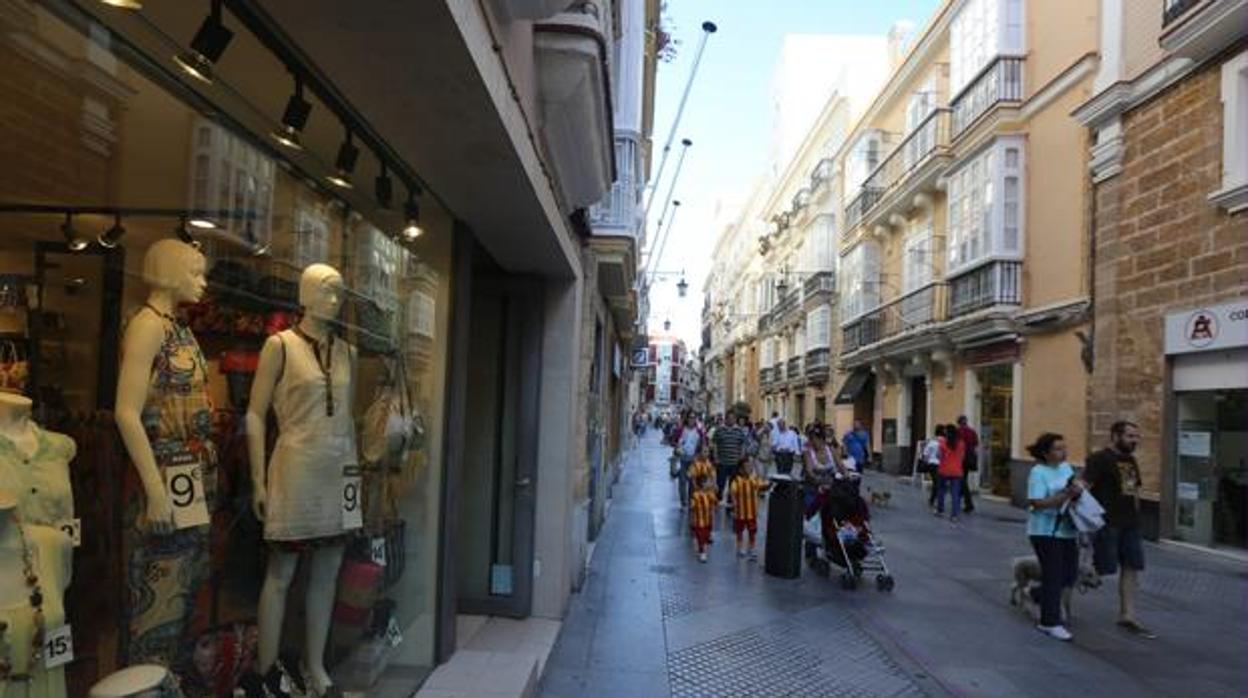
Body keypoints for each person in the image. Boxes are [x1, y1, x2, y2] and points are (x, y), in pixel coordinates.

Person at [1084, 420, 1154, 638]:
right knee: (1101, 568)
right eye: (1130, 436)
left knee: (1132, 566)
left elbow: (1133, 491)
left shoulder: (1130, 460)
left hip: (1130, 523)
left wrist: (1138, 517)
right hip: (1107, 522)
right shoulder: (1099, 459)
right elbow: (1084, 485)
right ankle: (1045, 592)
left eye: (1136, 437)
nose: (1134, 441)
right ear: (1115, 436)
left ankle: (1128, 614)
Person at [1026, 432, 1083, 641]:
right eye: (1058, 449)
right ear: (1046, 453)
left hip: (1068, 529)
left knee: (1070, 574)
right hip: (1045, 531)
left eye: (1064, 447)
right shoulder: (1038, 472)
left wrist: (1077, 491)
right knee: (1054, 574)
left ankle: (1038, 595)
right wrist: (1065, 495)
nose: (1063, 452)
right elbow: (1036, 502)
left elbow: (1074, 487)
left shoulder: (1066, 468)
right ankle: (1049, 622)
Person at [728, 455, 769, 560]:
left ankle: (751, 547)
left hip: (752, 512)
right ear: (741, 469)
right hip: (740, 512)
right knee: (739, 530)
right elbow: (732, 492)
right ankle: (740, 546)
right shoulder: (736, 481)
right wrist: (734, 504)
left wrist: (768, 485)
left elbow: (761, 486)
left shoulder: (753, 479)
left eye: (751, 466)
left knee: (752, 531)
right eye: (747, 467)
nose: (750, 469)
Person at [712, 414, 748, 507]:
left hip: (735, 462)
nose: (731, 420)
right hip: (722, 461)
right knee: (720, 482)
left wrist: (742, 455)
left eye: (733, 418)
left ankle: (730, 500)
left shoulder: (739, 431)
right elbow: (715, 443)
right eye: (729, 418)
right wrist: (715, 457)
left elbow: (743, 443)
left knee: (733, 483)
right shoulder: (719, 430)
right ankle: (718, 499)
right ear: (726, 419)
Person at [671, 414, 704, 508]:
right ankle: (683, 502)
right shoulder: (681, 430)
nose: (692, 420)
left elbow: (702, 443)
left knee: (692, 481)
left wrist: (699, 454)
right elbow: (673, 441)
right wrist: (677, 447)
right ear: (687, 419)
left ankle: (691, 500)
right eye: (690, 418)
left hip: (693, 459)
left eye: (693, 418)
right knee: (682, 481)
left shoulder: (699, 431)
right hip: (682, 458)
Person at [935, 425, 965, 521]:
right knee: (955, 494)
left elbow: (938, 456)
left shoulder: (943, 443)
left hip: (944, 470)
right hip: (957, 471)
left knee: (941, 491)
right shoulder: (961, 444)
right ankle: (954, 515)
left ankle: (940, 510)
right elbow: (962, 457)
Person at [689, 472, 717, 563]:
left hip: (708, 520)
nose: (710, 484)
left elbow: (715, 502)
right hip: (699, 521)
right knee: (701, 537)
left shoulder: (710, 494)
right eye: (708, 482)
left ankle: (704, 544)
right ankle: (702, 552)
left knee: (705, 535)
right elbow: (692, 508)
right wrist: (692, 521)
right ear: (703, 484)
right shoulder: (695, 496)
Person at [957, 416, 979, 514]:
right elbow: (976, 443)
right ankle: (960, 499)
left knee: (962, 480)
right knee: (963, 479)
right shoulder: (972, 431)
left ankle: (968, 503)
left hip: (961, 458)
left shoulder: (958, 432)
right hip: (970, 458)